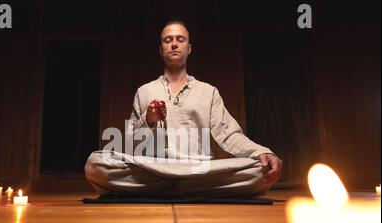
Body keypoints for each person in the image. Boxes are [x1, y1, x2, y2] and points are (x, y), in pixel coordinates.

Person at [85, 21, 282, 198]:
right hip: (155, 170)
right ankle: (186, 187)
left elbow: (229, 135)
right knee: (95, 164)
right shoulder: (144, 91)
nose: (174, 44)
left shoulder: (209, 92)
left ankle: (168, 188)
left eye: (180, 39)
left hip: (200, 169)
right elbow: (131, 139)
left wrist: (261, 152)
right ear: (161, 50)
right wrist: (149, 118)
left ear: (189, 48)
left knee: (259, 169)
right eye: (168, 40)